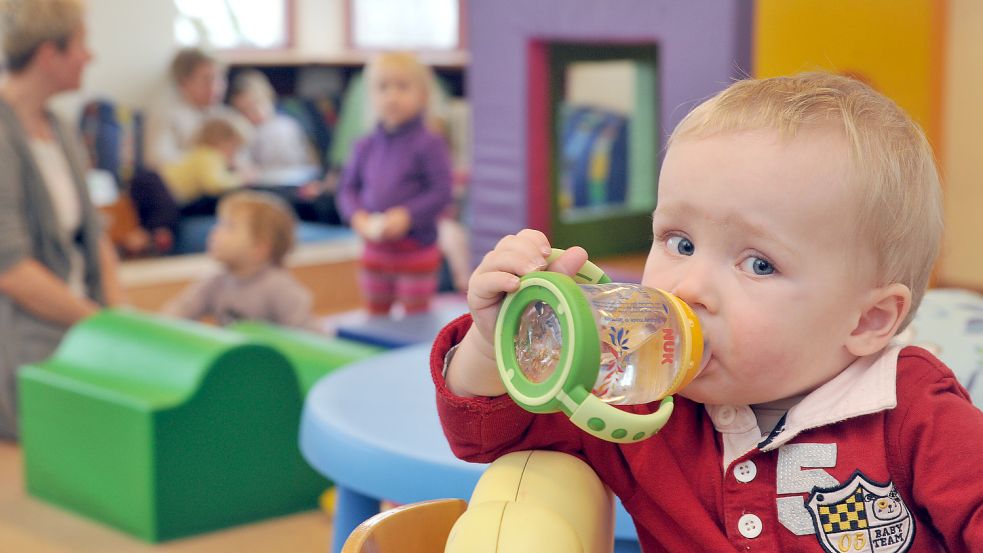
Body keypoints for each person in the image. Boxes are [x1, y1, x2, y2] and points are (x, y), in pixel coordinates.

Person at [433, 73, 983, 551]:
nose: (690, 287)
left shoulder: (911, 409)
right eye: (680, 242)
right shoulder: (638, 395)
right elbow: (487, 436)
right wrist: (494, 339)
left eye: (759, 264)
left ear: (867, 321)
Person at [0, 0, 123, 440]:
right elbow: (11, 271)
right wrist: (102, 325)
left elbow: (95, 238)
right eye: (81, 45)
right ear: (49, 54)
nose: (90, 56)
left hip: (80, 324)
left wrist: (117, 319)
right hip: (26, 341)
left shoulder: (61, 128)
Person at [336, 52, 453, 316]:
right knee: (375, 313)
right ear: (372, 96)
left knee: (416, 316)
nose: (392, 96)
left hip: (417, 251)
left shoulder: (429, 143)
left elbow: (441, 192)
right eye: (383, 88)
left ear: (422, 95)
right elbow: (347, 189)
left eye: (402, 87)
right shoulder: (365, 145)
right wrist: (357, 216)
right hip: (375, 251)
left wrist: (407, 216)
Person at [162, 191, 313, 329]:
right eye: (219, 223)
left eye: (229, 226)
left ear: (259, 248)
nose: (215, 231)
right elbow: (180, 310)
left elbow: (307, 337)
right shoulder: (216, 282)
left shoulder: (279, 287)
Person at [143, 47, 233, 171]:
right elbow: (157, 159)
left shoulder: (223, 114)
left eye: (220, 78)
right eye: (207, 79)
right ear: (184, 82)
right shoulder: (167, 114)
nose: (216, 87)